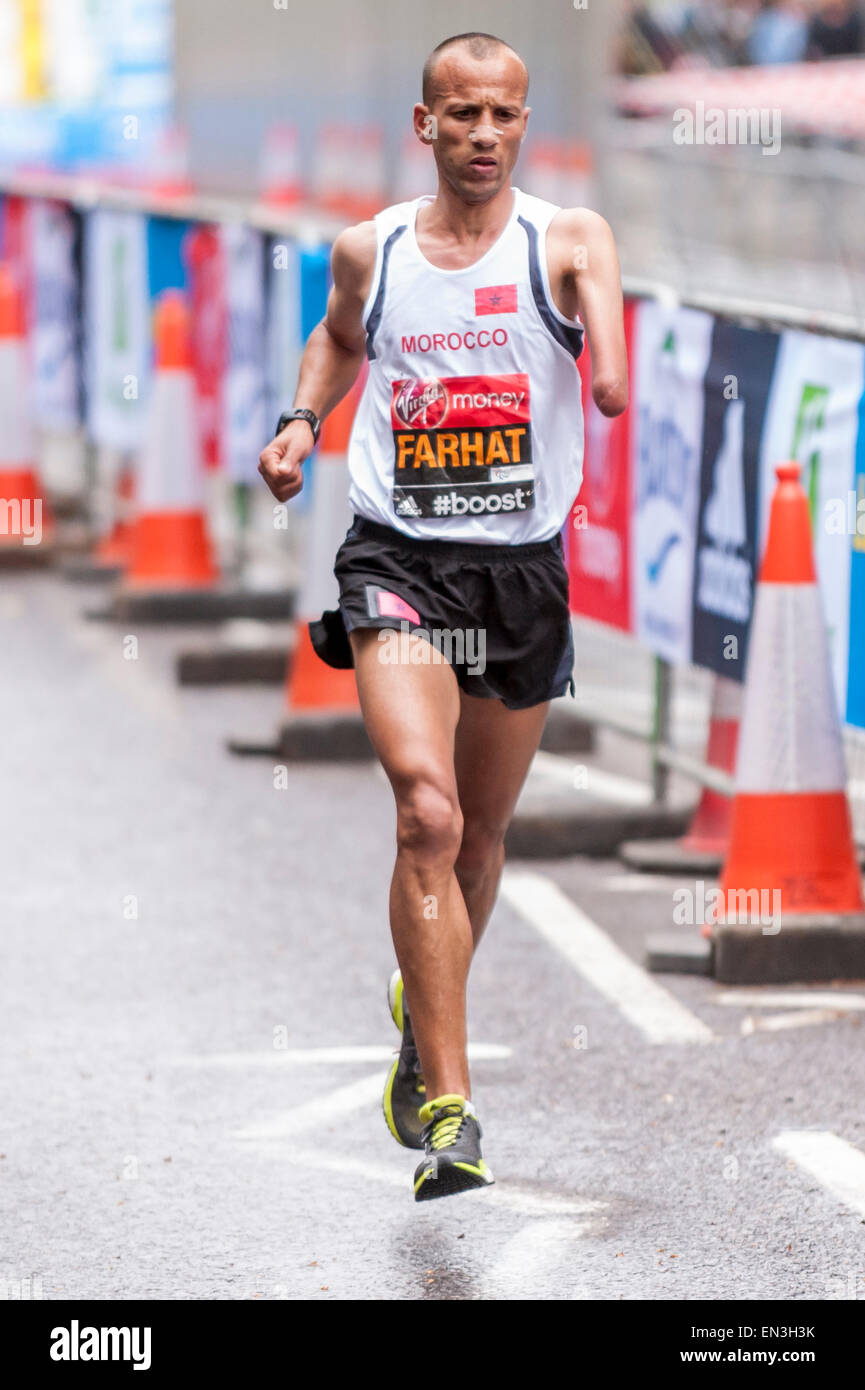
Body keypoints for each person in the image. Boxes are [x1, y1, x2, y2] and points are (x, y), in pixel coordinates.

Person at [259, 31, 627, 1201]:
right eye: (460, 114)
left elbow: (606, 344)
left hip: (518, 575)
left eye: (502, 116)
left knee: (477, 839)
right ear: (425, 126)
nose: (481, 134)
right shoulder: (367, 249)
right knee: (426, 811)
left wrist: (605, 360)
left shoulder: (565, 240)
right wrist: (301, 425)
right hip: (400, 562)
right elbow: (338, 337)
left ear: (524, 125)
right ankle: (454, 1112)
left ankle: (421, 1017)